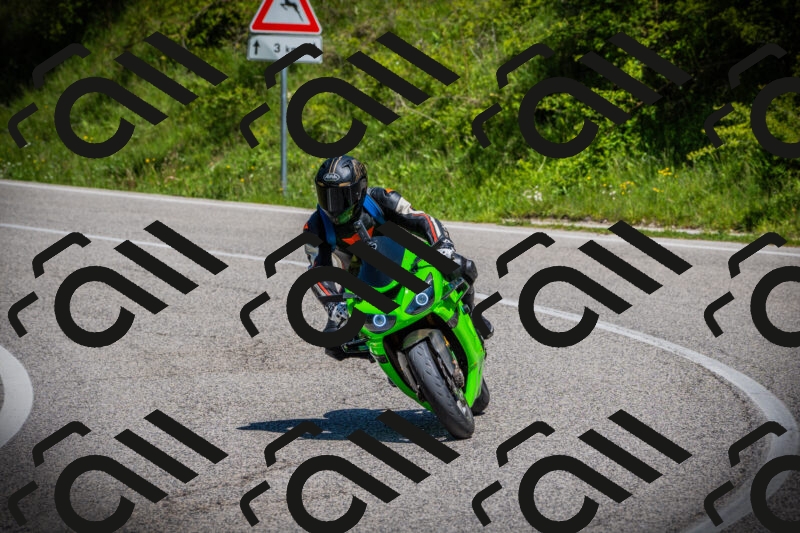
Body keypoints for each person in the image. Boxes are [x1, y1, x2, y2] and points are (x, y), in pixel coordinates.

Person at [302, 155, 493, 359]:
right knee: (334, 343)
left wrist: (444, 246)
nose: (334, 206)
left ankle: (473, 316)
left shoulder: (381, 198)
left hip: (408, 260)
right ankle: (389, 354)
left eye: (341, 197)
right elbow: (317, 271)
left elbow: (423, 220)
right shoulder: (315, 226)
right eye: (326, 196)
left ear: (360, 190)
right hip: (359, 280)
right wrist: (333, 305)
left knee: (462, 266)